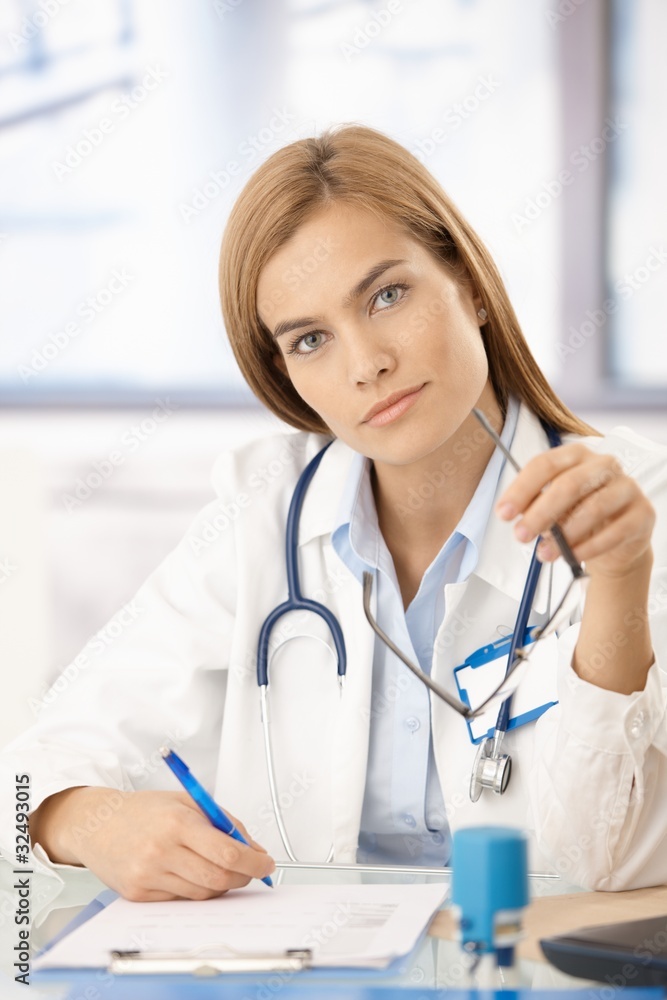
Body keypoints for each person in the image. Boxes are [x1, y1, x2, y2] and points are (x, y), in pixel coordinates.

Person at [1, 124, 666, 901]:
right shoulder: (262, 513)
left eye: (387, 295)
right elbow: (33, 769)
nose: (365, 364)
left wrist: (619, 578)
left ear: (470, 285)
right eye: (310, 338)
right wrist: (87, 820)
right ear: (283, 372)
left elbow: (610, 862)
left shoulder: (635, 501)